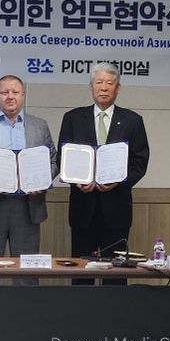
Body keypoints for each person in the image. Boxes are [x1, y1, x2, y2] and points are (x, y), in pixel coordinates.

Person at [58, 62, 149, 285]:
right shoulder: (73, 118)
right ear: (91, 86)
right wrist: (77, 182)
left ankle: (115, 308)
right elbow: (63, 158)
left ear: (118, 88)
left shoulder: (132, 120)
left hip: (116, 208)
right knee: (82, 272)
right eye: (99, 82)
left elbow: (140, 162)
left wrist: (120, 182)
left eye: (110, 83)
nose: (104, 87)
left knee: (116, 273)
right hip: (83, 206)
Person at [0, 75, 58, 286]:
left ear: (23, 95)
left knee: (26, 274)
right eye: (4, 92)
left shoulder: (39, 126)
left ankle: (25, 308)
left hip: (27, 207)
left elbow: (53, 160)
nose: (10, 97)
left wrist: (42, 181)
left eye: (15, 92)